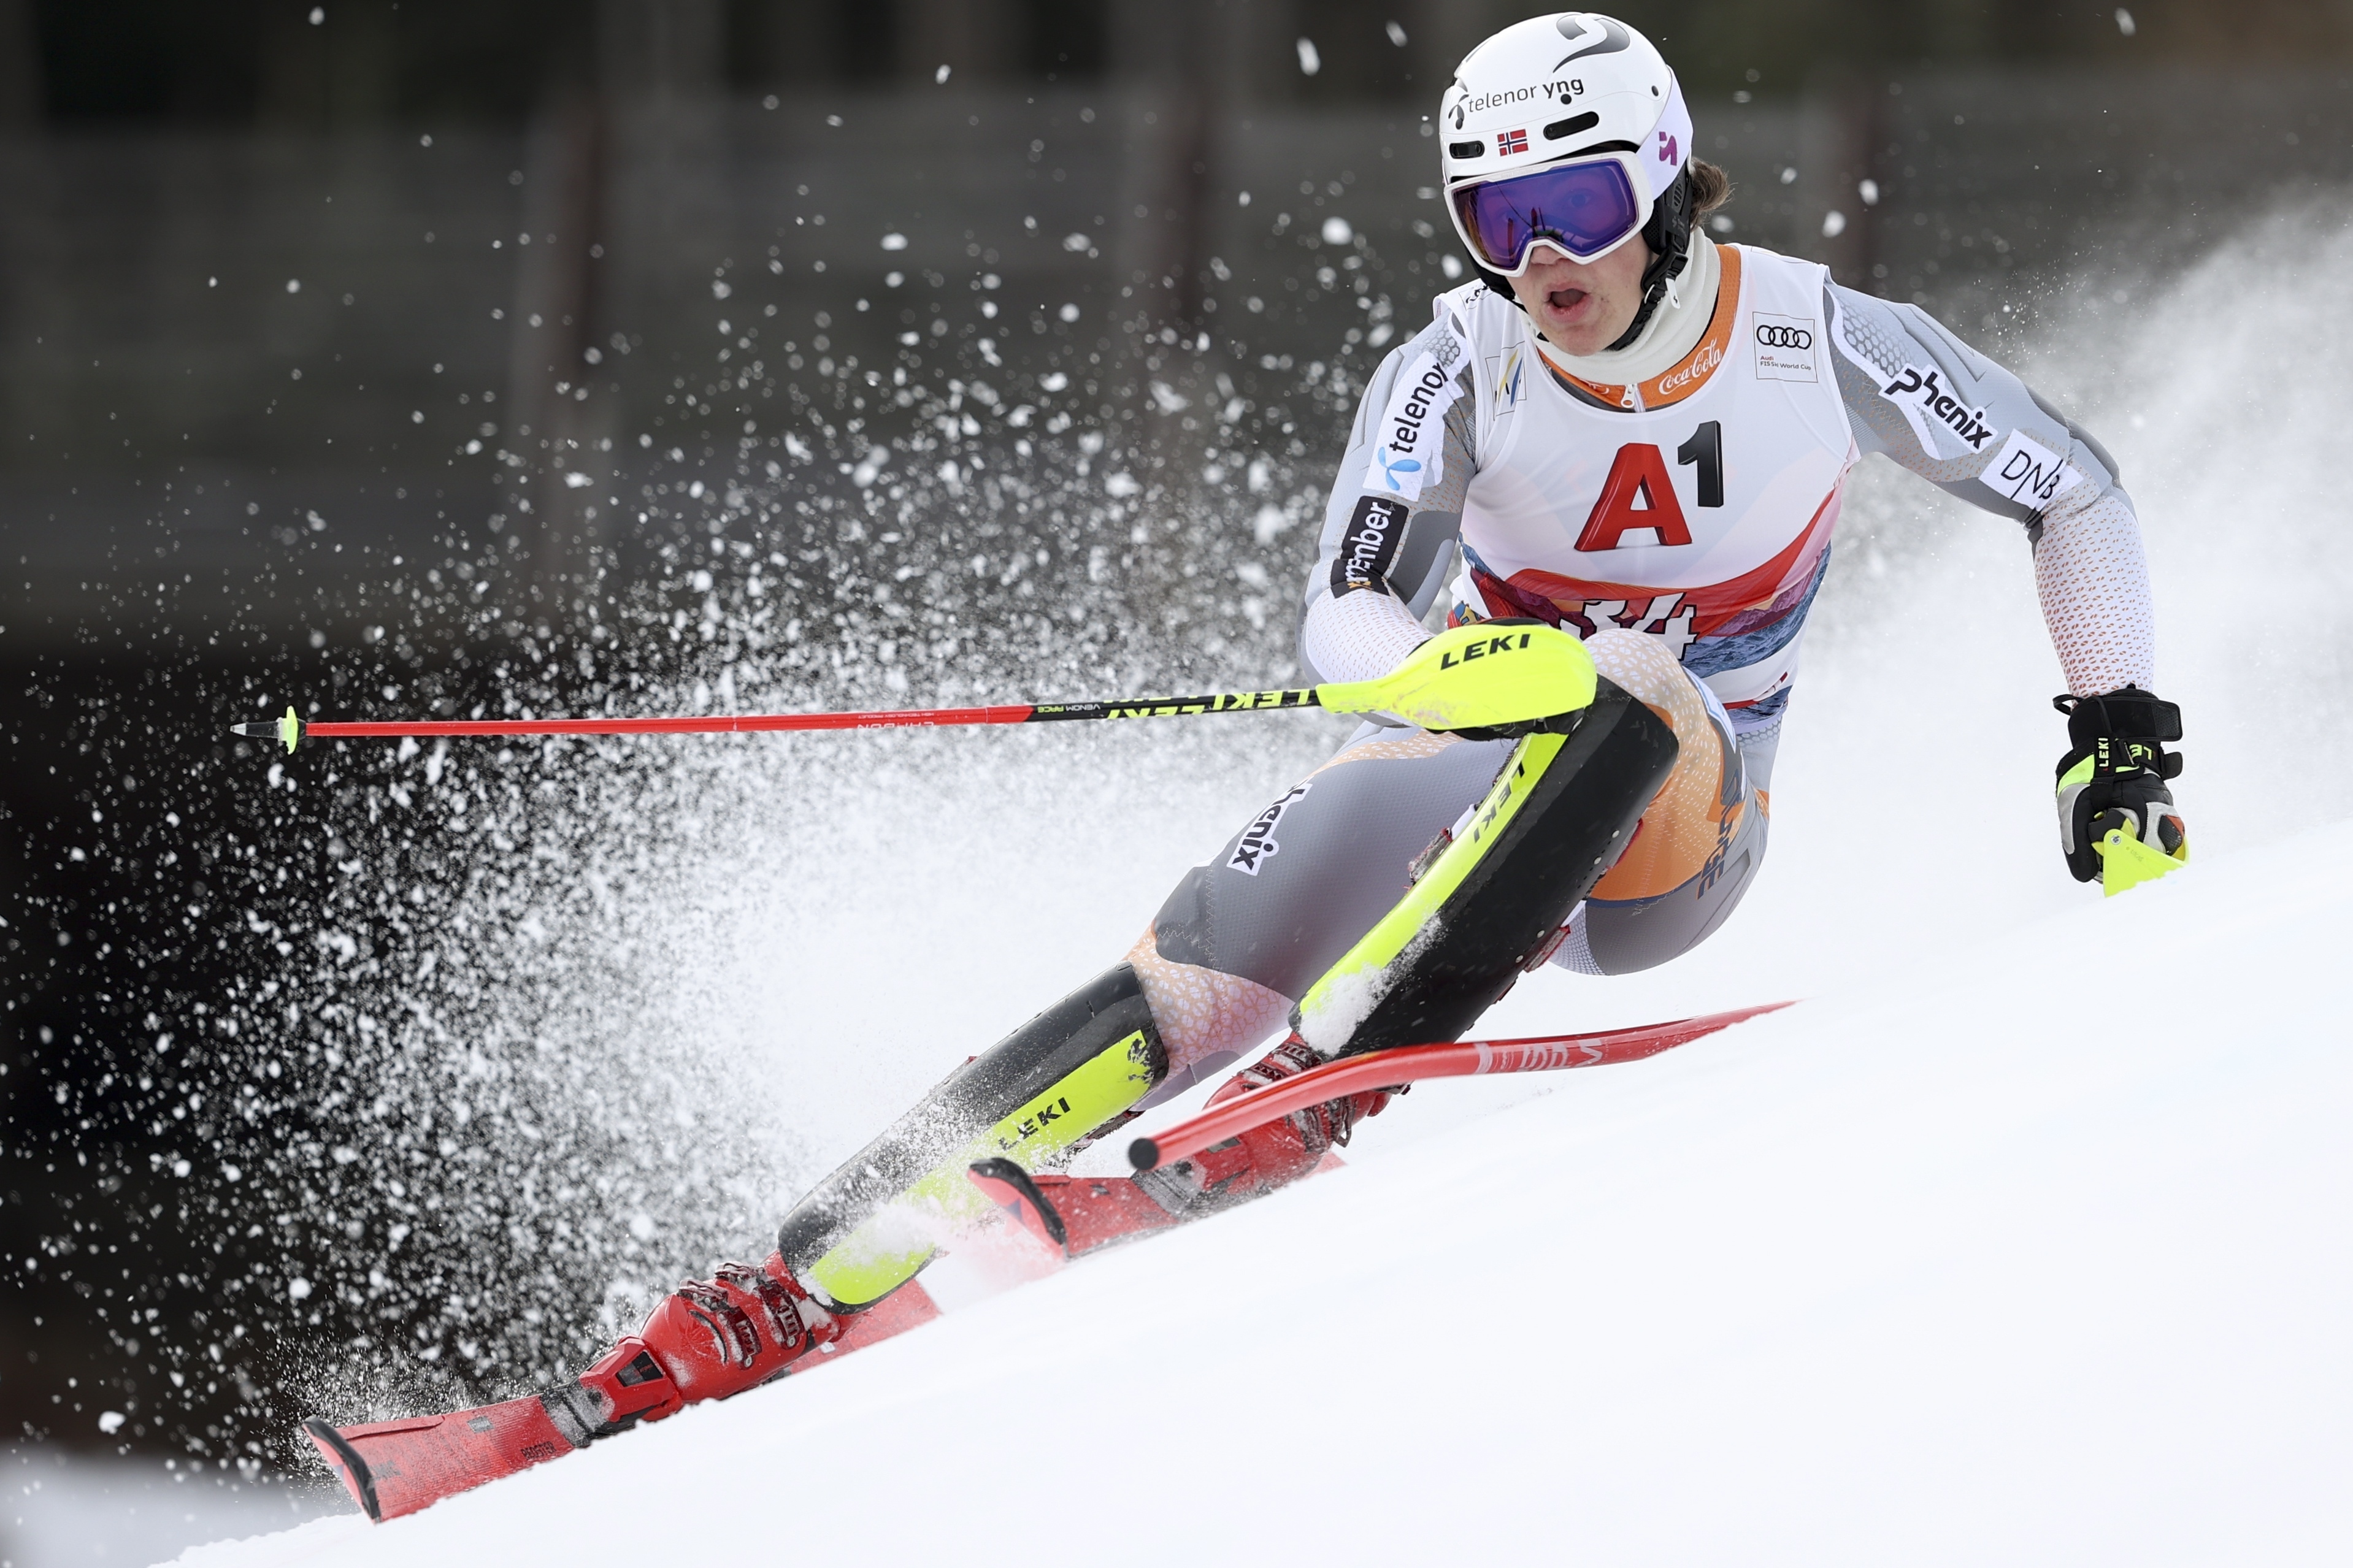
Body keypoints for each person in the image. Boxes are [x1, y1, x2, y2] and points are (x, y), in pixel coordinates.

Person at [542, 12, 2190, 1438]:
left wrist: (2117, 738)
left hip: (1673, 835)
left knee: (1623, 677)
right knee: (1203, 955)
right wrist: (1430, 674)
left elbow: (2076, 491)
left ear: (1670, 183)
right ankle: (794, 1276)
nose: (1540, 259)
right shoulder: (1456, 360)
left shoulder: (1809, 333)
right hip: (1468, 766)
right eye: (1496, 215)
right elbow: (1344, 612)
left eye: (1577, 205)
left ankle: (1323, 1091)